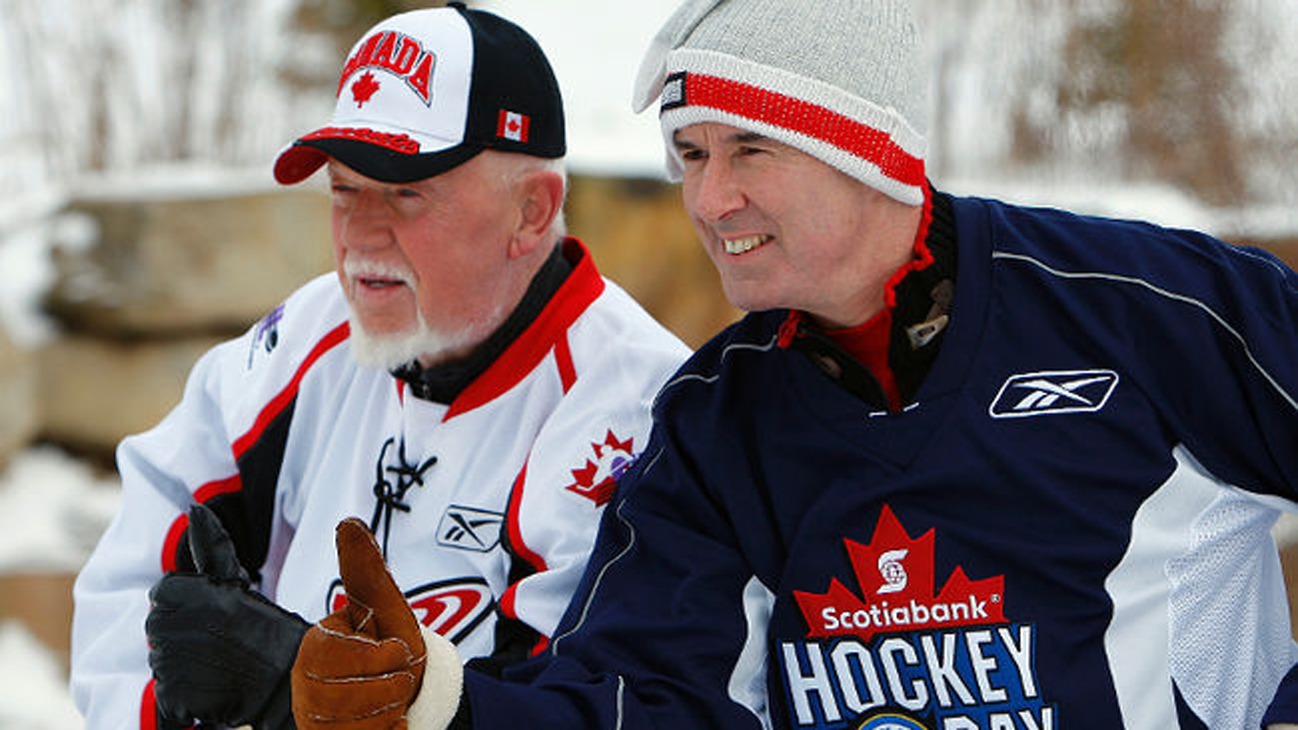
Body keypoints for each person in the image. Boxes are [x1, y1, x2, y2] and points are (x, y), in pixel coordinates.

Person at [284, 0, 1298, 729]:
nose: (707, 199)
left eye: (748, 151)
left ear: (867, 151)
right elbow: (640, 698)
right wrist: (434, 701)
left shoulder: (1135, 308)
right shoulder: (715, 416)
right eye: (688, 155)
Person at [68, 4, 690, 729]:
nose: (360, 237)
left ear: (530, 211)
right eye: (344, 190)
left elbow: (575, 708)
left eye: (406, 192)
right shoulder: (311, 334)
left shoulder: (642, 408)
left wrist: (300, 693)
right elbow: (132, 577)